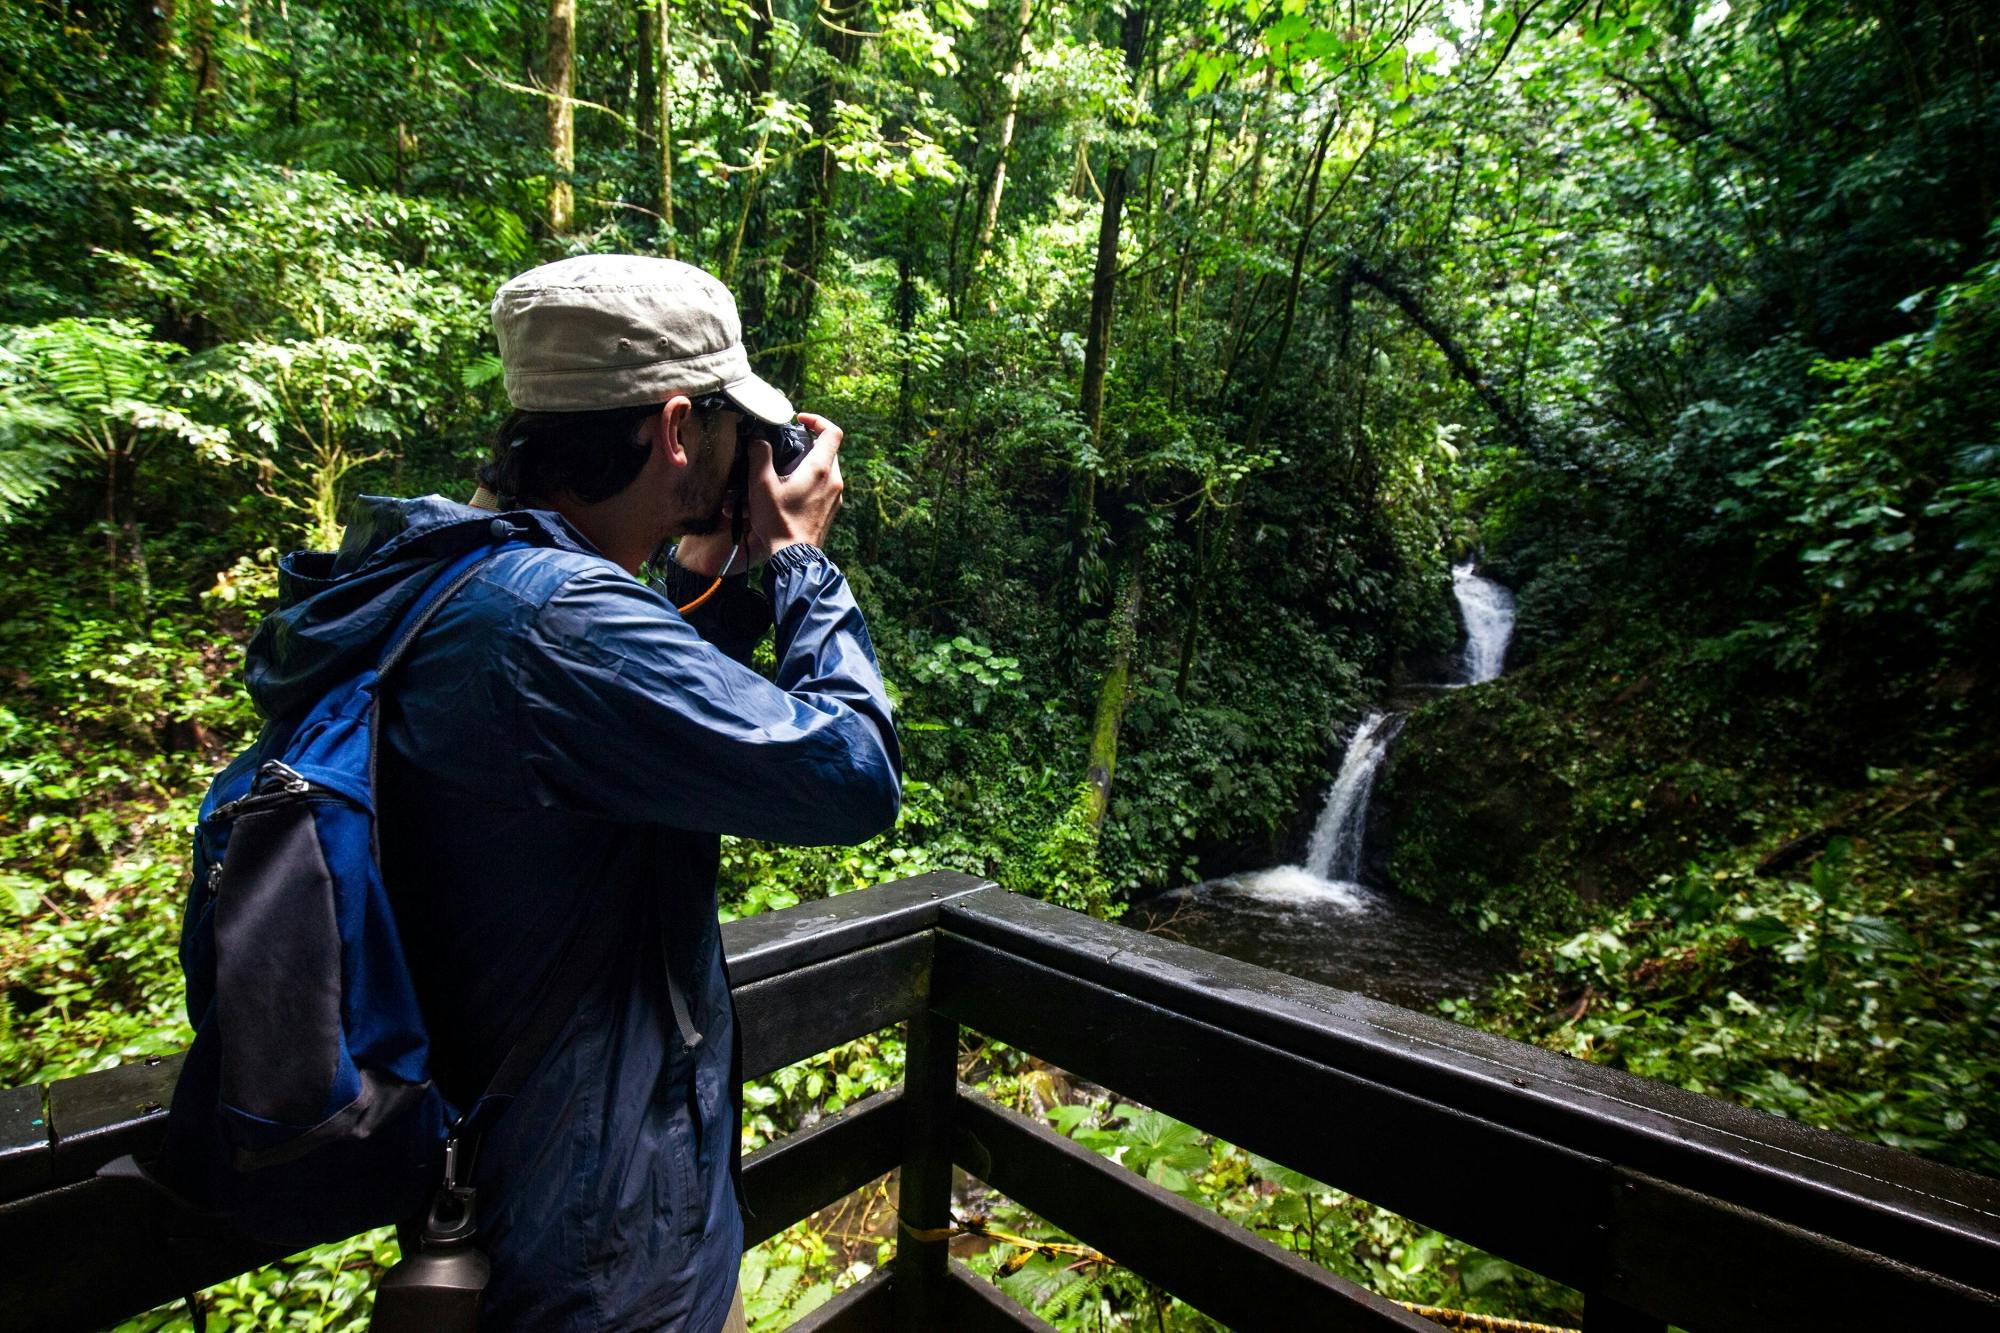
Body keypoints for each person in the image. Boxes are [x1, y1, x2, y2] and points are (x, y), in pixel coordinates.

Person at [240, 254, 902, 1331]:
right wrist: (800, 568)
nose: (754, 455)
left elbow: (645, 740)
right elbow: (849, 777)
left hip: (544, 1208)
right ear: (678, 428)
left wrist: (712, 579)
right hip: (604, 1256)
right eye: (738, 425)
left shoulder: (464, 579)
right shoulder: (555, 625)